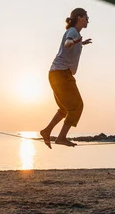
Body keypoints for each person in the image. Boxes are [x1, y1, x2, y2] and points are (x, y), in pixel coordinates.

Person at [40, 8, 92, 148]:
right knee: (77, 106)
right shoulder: (73, 32)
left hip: (56, 74)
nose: (88, 20)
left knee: (64, 109)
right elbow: (67, 44)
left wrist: (81, 43)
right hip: (62, 74)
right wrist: (74, 43)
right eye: (86, 17)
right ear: (79, 17)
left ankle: (46, 131)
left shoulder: (75, 34)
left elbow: (71, 44)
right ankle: (61, 137)